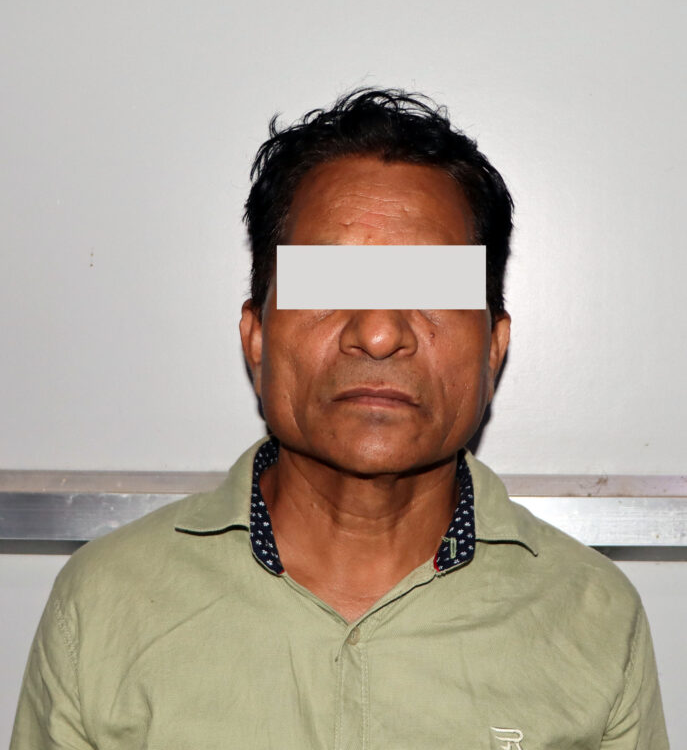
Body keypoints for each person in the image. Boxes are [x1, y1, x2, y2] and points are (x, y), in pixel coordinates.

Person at [10, 89, 669, 749]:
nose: (378, 334)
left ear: (493, 347)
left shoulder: (592, 618)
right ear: (257, 337)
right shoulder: (105, 604)